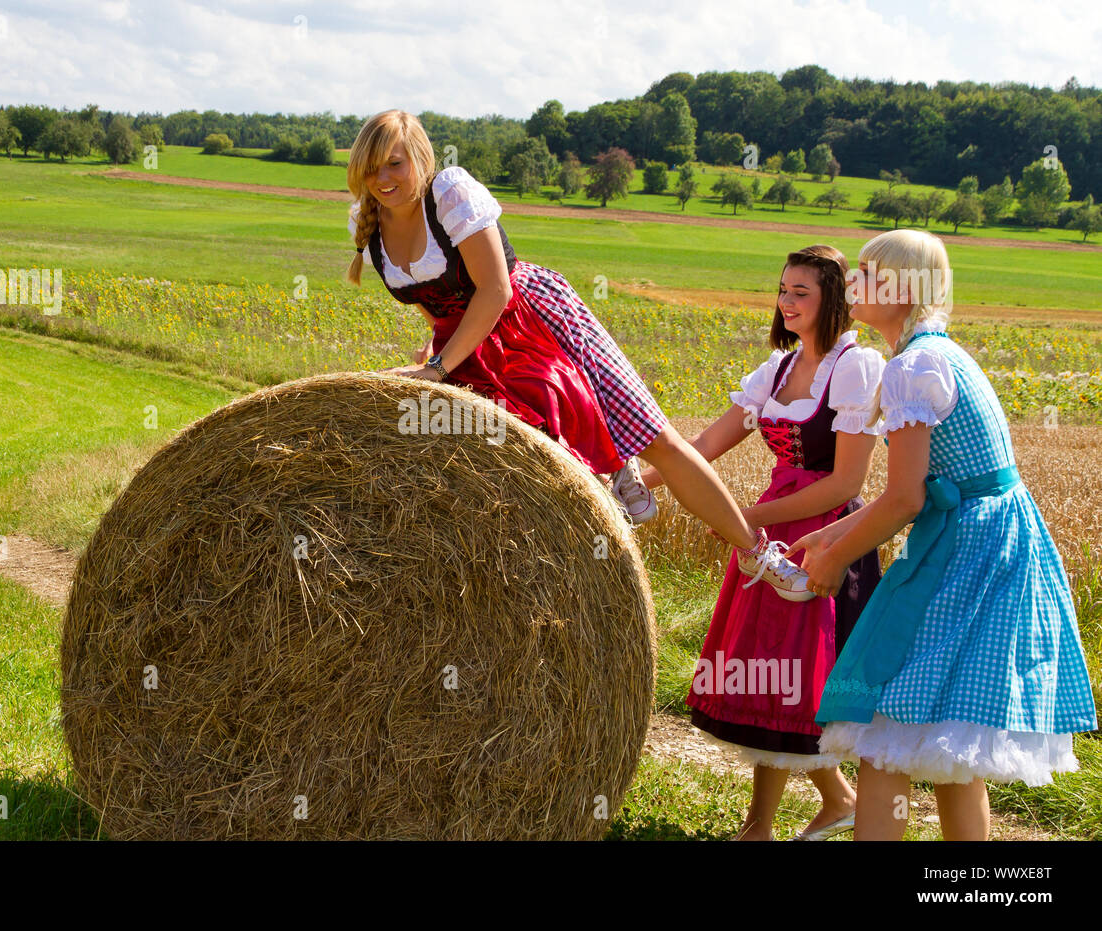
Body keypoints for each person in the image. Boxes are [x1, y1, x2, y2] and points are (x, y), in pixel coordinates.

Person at [346, 110, 810, 592]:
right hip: (468, 344)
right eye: (371, 168)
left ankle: (757, 553)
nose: (382, 179)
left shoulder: (450, 194)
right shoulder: (366, 220)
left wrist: (441, 367)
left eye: (394, 164)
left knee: (660, 441)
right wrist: (435, 350)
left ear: (420, 158)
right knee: (513, 465)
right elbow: (434, 302)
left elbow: (495, 291)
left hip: (534, 320)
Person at [788, 229, 1097, 841]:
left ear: (903, 288)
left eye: (869, 276)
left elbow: (905, 499)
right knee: (954, 745)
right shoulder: (940, 353)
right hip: (993, 544)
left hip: (969, 552)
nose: (854, 286)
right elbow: (921, 492)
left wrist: (834, 560)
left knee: (883, 727)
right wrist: (827, 538)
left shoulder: (912, 366)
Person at [671, 245, 884, 841]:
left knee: (797, 679)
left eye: (801, 293)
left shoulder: (856, 367)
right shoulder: (778, 370)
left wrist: (747, 515)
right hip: (767, 535)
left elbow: (847, 483)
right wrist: (633, 476)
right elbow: (704, 445)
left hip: (824, 534)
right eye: (783, 290)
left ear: (832, 299)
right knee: (769, 675)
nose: (786, 303)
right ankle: (797, 813)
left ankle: (763, 826)